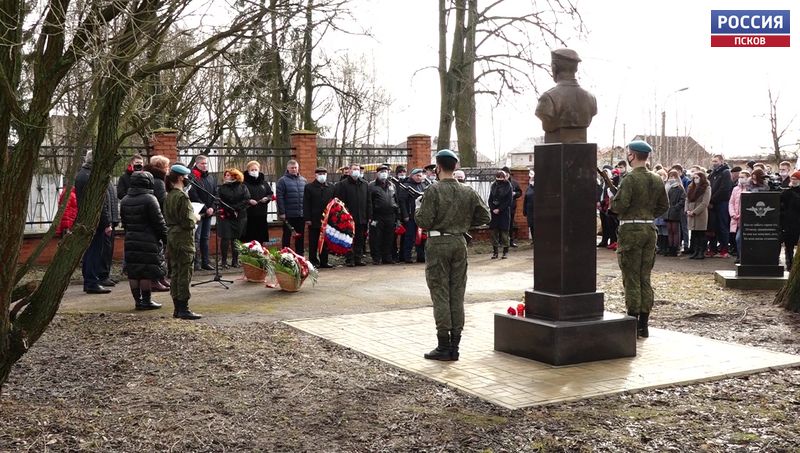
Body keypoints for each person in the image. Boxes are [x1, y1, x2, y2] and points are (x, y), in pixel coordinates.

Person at [415, 149, 490, 361]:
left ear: (438, 167)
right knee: (457, 293)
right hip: (459, 242)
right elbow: (485, 216)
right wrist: (463, 224)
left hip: (438, 243)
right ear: (455, 167)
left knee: (440, 292)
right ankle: (455, 344)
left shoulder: (433, 190)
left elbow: (423, 221)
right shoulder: (468, 191)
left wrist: (417, 208)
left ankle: (443, 344)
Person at [610, 140, 669, 338]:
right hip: (649, 229)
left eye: (628, 153)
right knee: (645, 276)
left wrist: (614, 202)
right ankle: (644, 325)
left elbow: (619, 206)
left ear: (632, 156)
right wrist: (648, 214)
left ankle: (633, 320)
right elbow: (663, 206)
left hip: (631, 231)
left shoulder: (629, 179)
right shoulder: (656, 179)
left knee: (632, 277)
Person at [120, 171, 168, 310]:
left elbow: (124, 222)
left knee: (134, 271)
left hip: (131, 239)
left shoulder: (125, 200)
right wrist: (165, 238)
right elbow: (159, 222)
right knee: (146, 271)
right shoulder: (150, 199)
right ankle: (146, 301)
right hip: (148, 239)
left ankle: (137, 301)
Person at [164, 165, 202, 320]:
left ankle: (177, 308)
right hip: (183, 238)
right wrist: (196, 217)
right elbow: (188, 222)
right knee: (185, 272)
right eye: (186, 176)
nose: (188, 179)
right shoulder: (182, 197)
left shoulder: (169, 195)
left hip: (172, 236)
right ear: (181, 178)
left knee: (176, 272)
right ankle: (183, 308)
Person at [74, 151, 115, 294]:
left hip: (88, 219)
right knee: (94, 251)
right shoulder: (92, 177)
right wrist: (107, 223)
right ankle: (92, 282)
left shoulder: (82, 174)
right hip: (95, 220)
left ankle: (90, 280)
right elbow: (100, 202)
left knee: (90, 251)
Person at [143, 155, 170, 292]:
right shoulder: (158, 182)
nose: (168, 169)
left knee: (159, 251)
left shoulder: (151, 178)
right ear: (161, 167)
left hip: (153, 220)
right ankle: (155, 279)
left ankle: (160, 277)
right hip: (157, 220)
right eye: (167, 167)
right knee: (157, 252)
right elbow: (162, 201)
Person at [335, 163, 371, 266]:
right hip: (348, 218)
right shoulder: (342, 184)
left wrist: (369, 215)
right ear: (349, 171)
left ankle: (358, 258)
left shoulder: (364, 184)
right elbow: (339, 202)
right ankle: (349, 259)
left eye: (358, 169)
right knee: (349, 238)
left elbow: (368, 201)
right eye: (354, 169)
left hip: (362, 217)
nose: (356, 171)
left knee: (360, 238)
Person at [217, 168, 251, 268]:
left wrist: (236, 209)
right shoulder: (221, 188)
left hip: (239, 215)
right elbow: (219, 201)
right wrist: (231, 210)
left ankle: (235, 261)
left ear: (235, 176)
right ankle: (223, 261)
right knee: (226, 238)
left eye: (229, 175)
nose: (226, 177)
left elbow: (246, 199)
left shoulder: (243, 187)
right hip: (226, 215)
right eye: (226, 175)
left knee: (236, 238)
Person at [189, 155, 217, 271]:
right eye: (202, 164)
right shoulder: (192, 177)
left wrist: (212, 208)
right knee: (196, 238)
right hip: (198, 212)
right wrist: (206, 208)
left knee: (205, 238)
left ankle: (206, 261)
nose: (205, 166)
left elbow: (215, 194)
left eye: (206, 163)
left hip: (209, 213)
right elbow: (193, 195)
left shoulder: (210, 178)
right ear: (197, 164)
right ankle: (196, 263)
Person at [304, 167, 335, 268]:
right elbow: (306, 204)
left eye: (324, 174)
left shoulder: (331, 187)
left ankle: (324, 261)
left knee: (325, 242)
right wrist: (307, 218)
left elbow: (334, 203)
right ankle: (313, 261)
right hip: (314, 219)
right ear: (316, 175)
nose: (322, 176)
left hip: (327, 220)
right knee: (313, 242)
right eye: (320, 174)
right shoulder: (309, 187)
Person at [368, 165, 399, 265]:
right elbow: (369, 202)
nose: (384, 173)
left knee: (389, 237)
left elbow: (395, 199)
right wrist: (370, 216)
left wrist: (397, 215)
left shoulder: (392, 185)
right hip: (377, 216)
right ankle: (376, 258)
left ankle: (387, 257)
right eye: (381, 171)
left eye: (385, 171)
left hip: (390, 215)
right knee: (376, 237)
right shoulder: (371, 186)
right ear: (377, 173)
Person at [276, 159, 307, 255]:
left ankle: (300, 255)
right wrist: (282, 212)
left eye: (295, 168)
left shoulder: (303, 180)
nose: (294, 169)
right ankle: (285, 254)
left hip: (301, 214)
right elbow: (279, 197)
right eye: (292, 168)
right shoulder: (282, 181)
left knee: (300, 236)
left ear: (298, 168)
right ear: (288, 168)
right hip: (288, 214)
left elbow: (306, 197)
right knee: (287, 235)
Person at [397, 168, 428, 263]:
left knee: (422, 237)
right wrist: (405, 215)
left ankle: (421, 256)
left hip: (421, 216)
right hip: (410, 216)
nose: (419, 177)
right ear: (412, 176)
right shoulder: (406, 186)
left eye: (421, 175)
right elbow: (402, 202)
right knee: (409, 237)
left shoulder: (424, 185)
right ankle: (407, 256)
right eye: (417, 175)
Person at [242, 160, 274, 245]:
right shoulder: (243, 183)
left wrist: (267, 198)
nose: (254, 171)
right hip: (248, 215)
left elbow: (270, 193)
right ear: (248, 171)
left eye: (256, 169)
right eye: (252, 170)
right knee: (249, 238)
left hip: (261, 214)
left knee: (260, 238)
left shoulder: (263, 183)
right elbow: (239, 197)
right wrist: (248, 201)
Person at [707, 154, 733, 258]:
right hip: (712, 204)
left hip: (722, 203)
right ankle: (712, 248)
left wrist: (712, 199)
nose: (714, 163)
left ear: (722, 161)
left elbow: (724, 189)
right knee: (712, 227)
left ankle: (724, 249)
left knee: (722, 226)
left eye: (716, 161)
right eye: (713, 161)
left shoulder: (726, 172)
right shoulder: (712, 173)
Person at [488, 170, 514, 259]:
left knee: (504, 233)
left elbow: (509, 201)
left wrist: (499, 209)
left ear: (504, 178)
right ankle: (495, 252)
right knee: (494, 232)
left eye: (501, 178)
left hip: (504, 212)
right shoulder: (493, 185)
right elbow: (490, 199)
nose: (499, 179)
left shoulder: (508, 186)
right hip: (494, 212)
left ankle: (505, 252)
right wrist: (492, 209)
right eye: (497, 178)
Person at [687, 170, 712, 260]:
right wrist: (687, 210)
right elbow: (687, 199)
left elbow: (705, 203)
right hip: (691, 212)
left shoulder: (706, 188)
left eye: (697, 178)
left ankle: (701, 252)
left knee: (701, 233)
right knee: (694, 233)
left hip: (700, 213)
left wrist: (694, 211)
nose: (695, 180)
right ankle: (695, 251)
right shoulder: (691, 187)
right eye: (694, 178)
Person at [780, 171, 800, 270]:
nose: (793, 181)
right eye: (792, 179)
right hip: (788, 224)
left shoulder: (793, 193)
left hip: (797, 223)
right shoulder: (787, 192)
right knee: (789, 247)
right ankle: (789, 265)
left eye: (796, 179)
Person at [729, 170, 750, 263]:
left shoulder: (749, 189)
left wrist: (741, 215)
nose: (741, 179)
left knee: (739, 238)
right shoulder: (735, 189)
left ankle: (742, 256)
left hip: (745, 218)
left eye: (743, 177)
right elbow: (731, 202)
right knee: (737, 238)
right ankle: (739, 256)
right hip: (736, 218)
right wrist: (732, 213)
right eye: (740, 177)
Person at [664, 170, 686, 256]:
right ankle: (670, 247)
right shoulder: (667, 187)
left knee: (675, 230)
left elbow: (683, 199)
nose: (671, 178)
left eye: (673, 177)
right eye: (670, 176)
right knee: (669, 230)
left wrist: (676, 207)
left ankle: (675, 248)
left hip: (675, 211)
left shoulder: (679, 187)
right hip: (668, 210)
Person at [502, 166, 523, 247]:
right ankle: (502, 241)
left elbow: (520, 192)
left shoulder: (514, 183)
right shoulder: (500, 182)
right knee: (502, 224)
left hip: (511, 207)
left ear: (509, 174)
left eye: (507, 173)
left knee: (510, 224)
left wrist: (515, 194)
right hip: (502, 208)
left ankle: (511, 241)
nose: (506, 175)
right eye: (504, 173)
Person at [523, 169, 535, 242]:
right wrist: (524, 210)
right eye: (531, 179)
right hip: (529, 210)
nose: (532, 181)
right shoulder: (528, 188)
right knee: (531, 226)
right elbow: (525, 200)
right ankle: (534, 240)